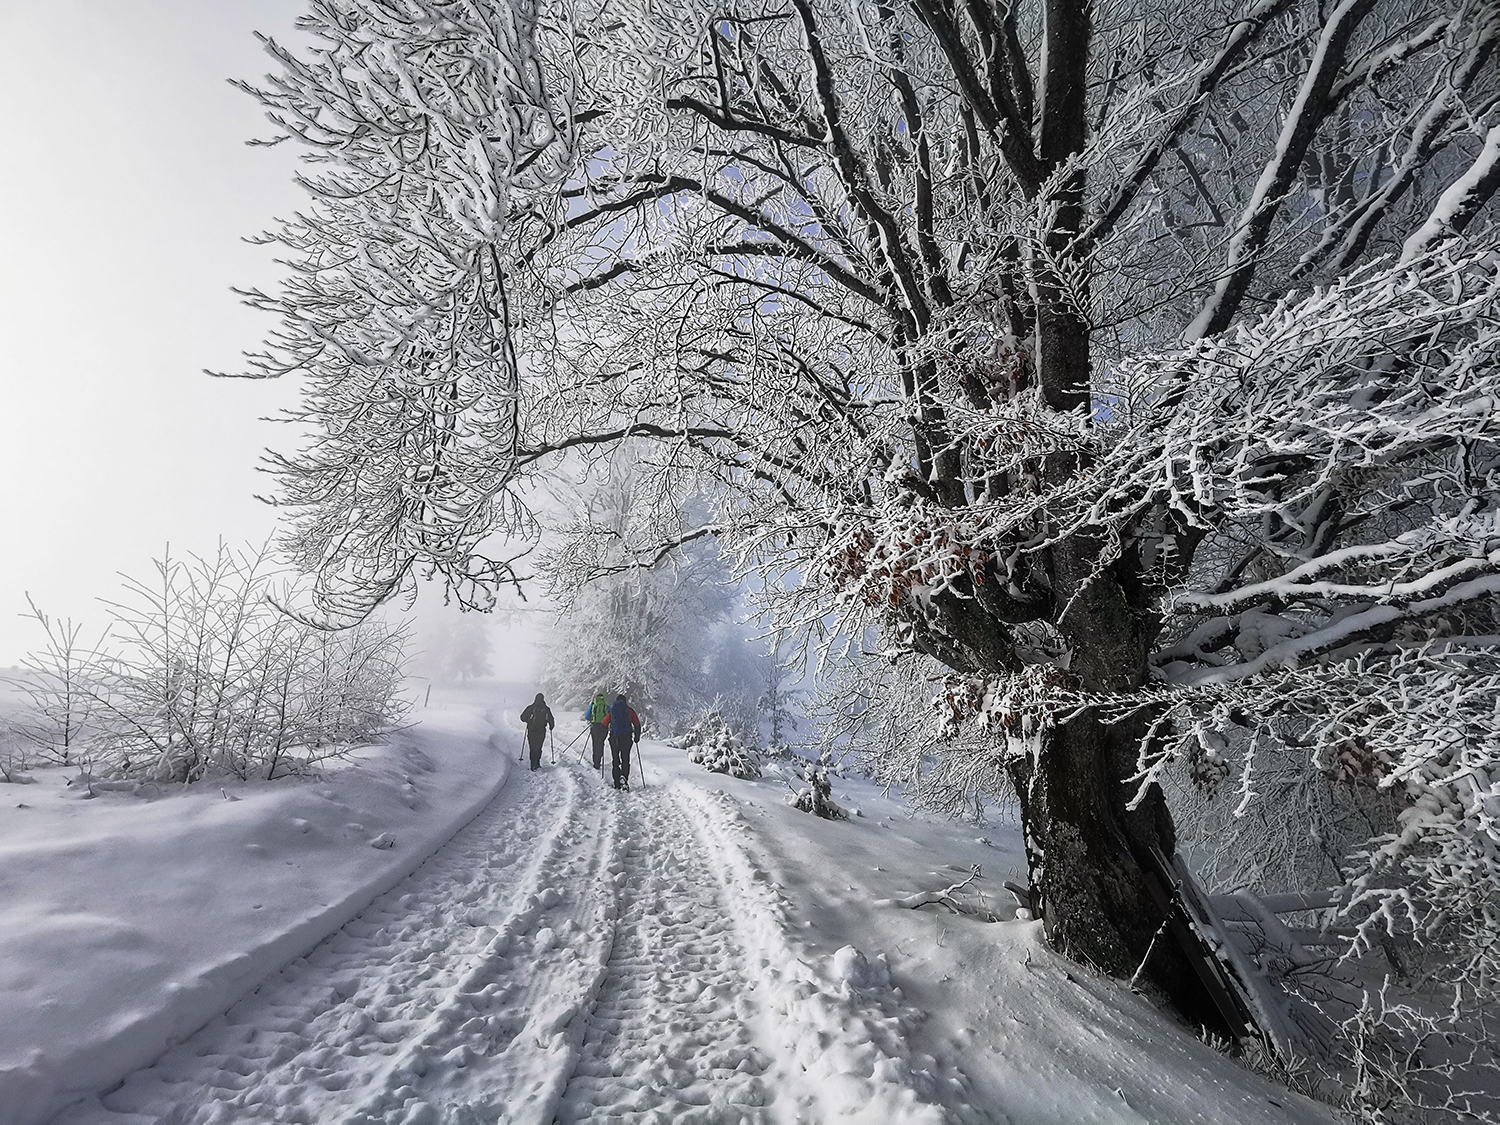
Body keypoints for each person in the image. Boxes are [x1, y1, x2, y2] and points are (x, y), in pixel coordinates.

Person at [601, 693, 641, 790]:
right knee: (625, 759)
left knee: (615, 760)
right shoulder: (630, 711)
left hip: (614, 739)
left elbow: (604, 724)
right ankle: (624, 778)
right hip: (627, 738)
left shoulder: (612, 711)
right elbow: (637, 724)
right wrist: (636, 738)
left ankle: (616, 783)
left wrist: (602, 737)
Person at [519, 692, 554, 771]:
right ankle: (537, 764)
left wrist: (528, 720)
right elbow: (551, 719)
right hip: (541, 731)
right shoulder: (546, 709)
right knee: (539, 747)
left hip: (532, 730)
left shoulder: (531, 707)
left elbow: (522, 717)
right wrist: (551, 726)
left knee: (532, 747)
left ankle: (533, 765)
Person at [584, 691, 609, 770]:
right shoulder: (606, 706)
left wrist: (592, 720)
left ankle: (596, 762)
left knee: (595, 743)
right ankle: (600, 757)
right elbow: (610, 716)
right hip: (604, 727)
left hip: (594, 726)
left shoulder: (593, 705)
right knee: (601, 742)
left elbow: (587, 716)